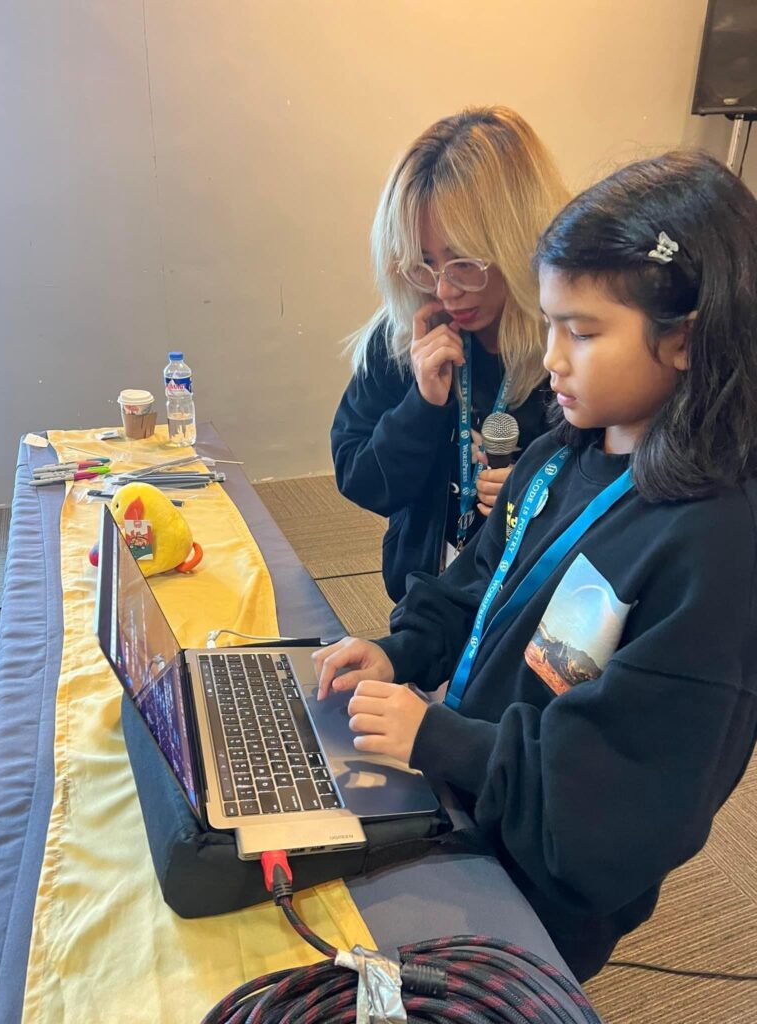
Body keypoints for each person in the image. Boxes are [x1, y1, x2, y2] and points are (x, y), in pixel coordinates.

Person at [313, 151, 757, 981]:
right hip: (476, 793)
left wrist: (443, 739)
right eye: (550, 323)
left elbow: (619, 800)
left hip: (549, 878)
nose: (551, 359)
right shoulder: (561, 453)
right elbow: (481, 577)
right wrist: (402, 651)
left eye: (582, 332)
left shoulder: (714, 548)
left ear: (687, 340)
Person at [332, 106, 569, 600]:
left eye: (465, 262)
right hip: (423, 597)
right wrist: (422, 405)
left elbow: (610, 506)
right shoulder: (404, 331)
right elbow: (362, 480)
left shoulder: (569, 349)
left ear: (518, 242)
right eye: (423, 264)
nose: (445, 290)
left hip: (526, 607)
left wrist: (529, 500)